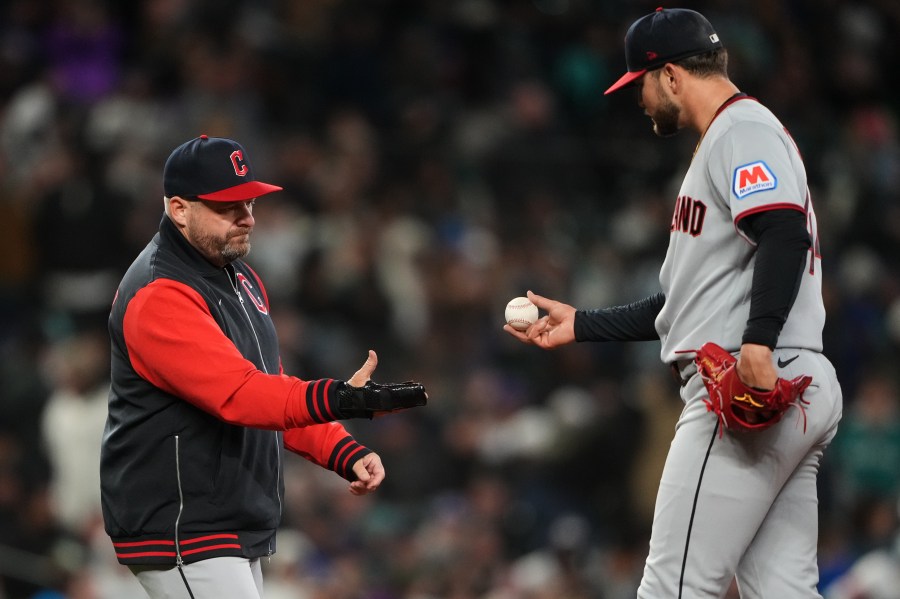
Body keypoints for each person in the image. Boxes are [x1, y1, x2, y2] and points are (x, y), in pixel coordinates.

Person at [505, 8, 843, 598]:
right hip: (786, 381)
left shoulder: (740, 130)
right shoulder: (733, 137)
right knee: (785, 591)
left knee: (673, 588)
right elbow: (686, 302)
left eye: (639, 82)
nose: (637, 98)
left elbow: (785, 232)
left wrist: (758, 344)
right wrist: (582, 324)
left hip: (748, 380)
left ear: (671, 76)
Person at [100, 135, 427, 599]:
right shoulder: (160, 294)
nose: (248, 217)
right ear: (179, 209)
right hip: (180, 525)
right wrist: (342, 398)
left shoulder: (237, 277)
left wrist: (341, 448)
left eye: (249, 202)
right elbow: (242, 397)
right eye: (227, 207)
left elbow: (272, 390)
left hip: (224, 521)